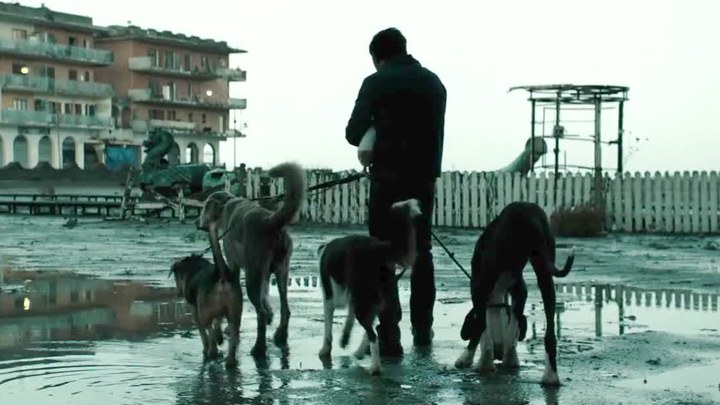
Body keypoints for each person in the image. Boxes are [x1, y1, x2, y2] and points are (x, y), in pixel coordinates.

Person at [345, 27, 447, 356]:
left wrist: (376, 127)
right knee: (422, 253)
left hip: (386, 183)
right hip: (422, 182)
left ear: (378, 57)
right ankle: (423, 329)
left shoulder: (375, 82)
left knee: (382, 254)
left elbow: (352, 132)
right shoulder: (434, 83)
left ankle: (390, 335)